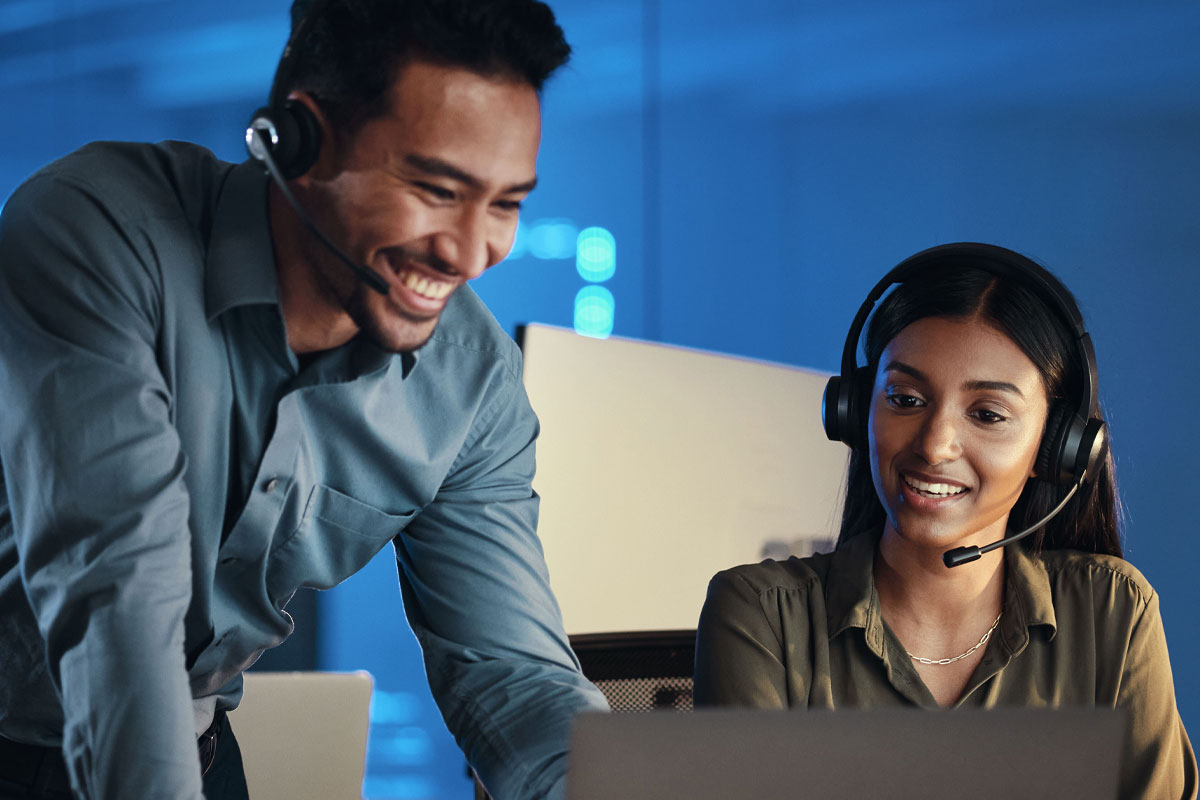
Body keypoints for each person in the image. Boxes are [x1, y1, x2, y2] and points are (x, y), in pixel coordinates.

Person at [0, 1, 608, 798]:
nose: (469, 253)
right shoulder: (101, 232)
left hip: (194, 750)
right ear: (299, 140)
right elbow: (121, 609)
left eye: (504, 203)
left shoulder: (472, 379)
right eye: (434, 188)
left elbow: (512, 682)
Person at [694, 243, 1197, 799]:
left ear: (1055, 449)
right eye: (905, 399)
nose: (935, 446)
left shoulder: (1111, 614)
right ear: (858, 411)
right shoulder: (762, 617)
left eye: (987, 415)